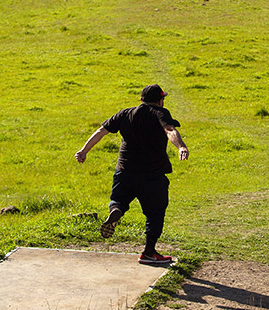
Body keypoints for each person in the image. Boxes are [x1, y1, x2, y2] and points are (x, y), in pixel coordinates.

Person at [75, 84, 189, 266]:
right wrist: (181, 146)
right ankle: (149, 252)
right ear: (159, 100)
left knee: (118, 200)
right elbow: (170, 130)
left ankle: (116, 211)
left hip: (125, 171)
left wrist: (83, 151)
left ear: (141, 100)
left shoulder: (125, 113)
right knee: (155, 213)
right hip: (152, 175)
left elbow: (101, 131)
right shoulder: (160, 113)